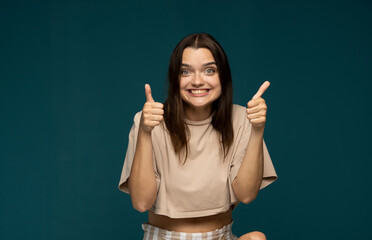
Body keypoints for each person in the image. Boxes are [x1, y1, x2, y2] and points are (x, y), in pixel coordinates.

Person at [119, 33, 278, 240]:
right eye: (185, 71)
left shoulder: (242, 119)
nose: (197, 81)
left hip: (221, 235)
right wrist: (145, 131)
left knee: (257, 238)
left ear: (224, 76)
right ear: (175, 79)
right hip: (165, 236)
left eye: (209, 70)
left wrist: (257, 129)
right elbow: (141, 203)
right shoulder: (149, 119)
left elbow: (246, 195)